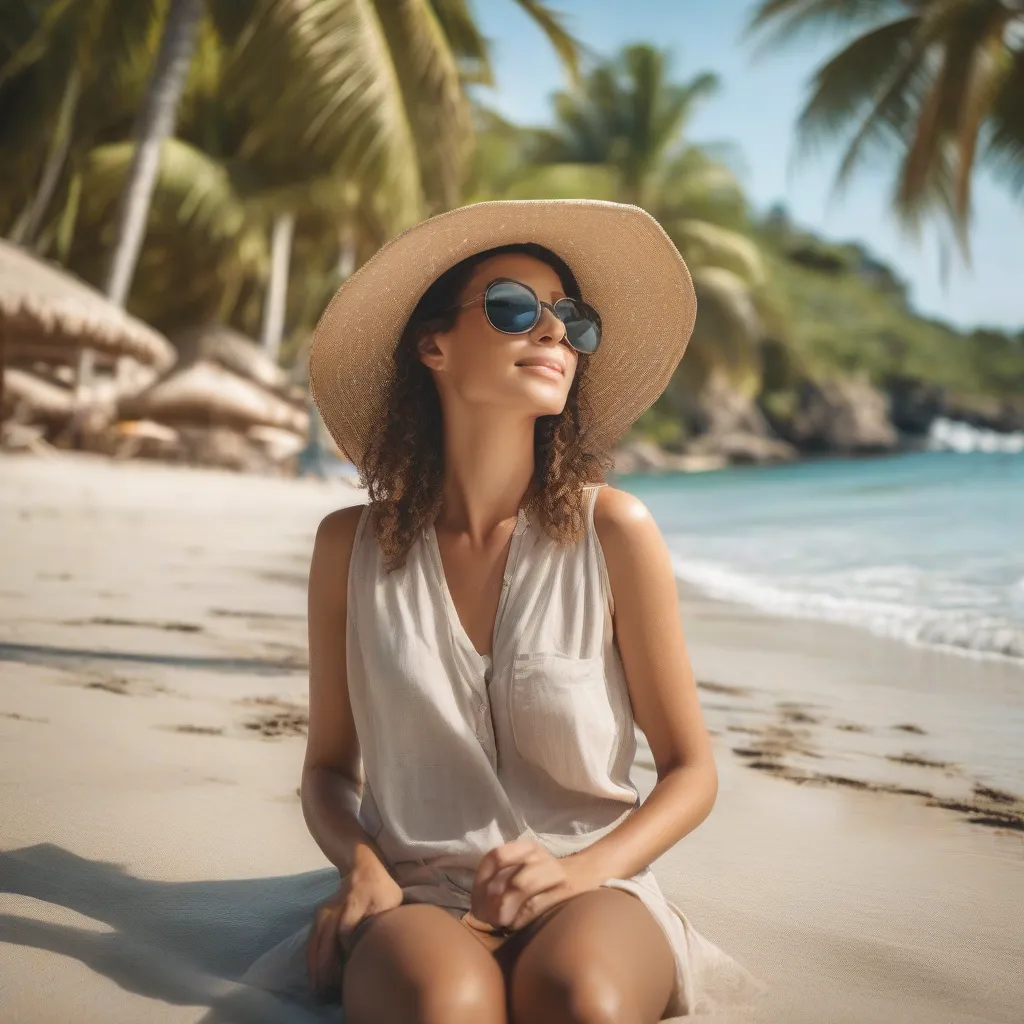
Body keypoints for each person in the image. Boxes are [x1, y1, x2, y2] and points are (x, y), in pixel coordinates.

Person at [298, 199, 765, 1023]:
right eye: (516, 308)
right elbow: (331, 773)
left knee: (580, 998)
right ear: (433, 345)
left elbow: (692, 772)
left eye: (571, 319)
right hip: (419, 893)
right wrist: (360, 869)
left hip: (596, 886)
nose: (553, 333)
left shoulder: (614, 532)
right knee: (447, 1005)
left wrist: (582, 873)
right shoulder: (349, 548)